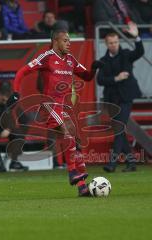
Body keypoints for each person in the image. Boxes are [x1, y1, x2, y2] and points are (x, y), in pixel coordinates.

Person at [7, 29, 101, 196]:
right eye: (65, 40)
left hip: (64, 107)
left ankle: (82, 187)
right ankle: (72, 172)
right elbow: (23, 71)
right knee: (68, 135)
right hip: (50, 105)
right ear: (56, 41)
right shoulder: (47, 57)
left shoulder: (71, 60)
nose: (69, 43)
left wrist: (94, 68)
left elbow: (86, 76)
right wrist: (15, 91)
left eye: (69, 40)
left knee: (76, 144)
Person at [97, 22, 144, 172]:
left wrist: (136, 37)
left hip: (126, 98)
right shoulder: (103, 61)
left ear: (119, 42)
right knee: (120, 131)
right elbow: (100, 80)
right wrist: (116, 78)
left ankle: (112, 163)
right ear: (106, 44)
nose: (114, 45)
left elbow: (139, 52)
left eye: (116, 42)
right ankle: (131, 163)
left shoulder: (125, 55)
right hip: (112, 100)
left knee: (118, 129)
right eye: (111, 43)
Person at [0, 82, 29, 172]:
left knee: (18, 134)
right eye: (3, 98)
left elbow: (13, 116)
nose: (5, 101)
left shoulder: (11, 100)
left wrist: (8, 128)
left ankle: (14, 163)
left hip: (3, 127)